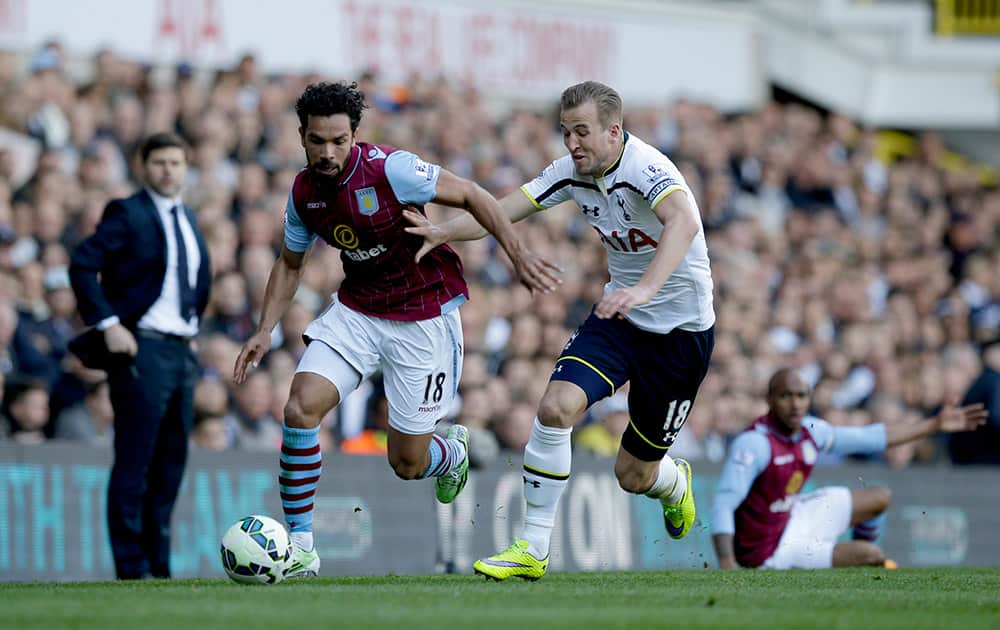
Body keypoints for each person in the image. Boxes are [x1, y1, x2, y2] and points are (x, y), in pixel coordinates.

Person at [232, 81, 557, 578]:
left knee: (407, 463)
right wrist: (264, 328)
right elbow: (291, 264)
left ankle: (450, 453)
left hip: (423, 316)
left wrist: (518, 254)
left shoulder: (391, 168)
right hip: (359, 311)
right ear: (302, 136)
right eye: (317, 141)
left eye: (339, 140)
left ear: (354, 135)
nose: (328, 151)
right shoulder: (303, 193)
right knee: (299, 407)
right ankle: (300, 547)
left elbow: (472, 194)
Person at [405, 81, 715, 580]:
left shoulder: (647, 169)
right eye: (566, 132)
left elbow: (682, 223)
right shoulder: (573, 172)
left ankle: (674, 483)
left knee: (633, 476)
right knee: (555, 406)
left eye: (582, 133)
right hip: (620, 319)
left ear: (614, 132)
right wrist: (444, 231)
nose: (572, 143)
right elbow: (501, 210)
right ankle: (532, 548)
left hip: (681, 335)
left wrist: (646, 288)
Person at [69, 132, 211, 579]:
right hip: (141, 347)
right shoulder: (127, 213)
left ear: (187, 167)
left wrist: (190, 332)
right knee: (135, 460)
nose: (168, 170)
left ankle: (158, 568)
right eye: (159, 162)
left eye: (176, 161)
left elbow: (195, 284)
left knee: (171, 464)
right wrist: (109, 325)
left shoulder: (189, 217)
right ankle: (131, 570)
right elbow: (81, 265)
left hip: (180, 353)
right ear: (142, 166)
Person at [709, 368, 987, 570]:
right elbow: (723, 504)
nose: (795, 404)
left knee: (880, 497)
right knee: (872, 554)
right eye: (785, 396)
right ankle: (865, 564)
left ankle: (857, 573)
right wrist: (727, 563)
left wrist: (933, 425)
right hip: (768, 553)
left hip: (793, 517)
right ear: (769, 399)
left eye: (801, 395)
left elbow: (872, 438)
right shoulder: (755, 443)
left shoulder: (811, 431)